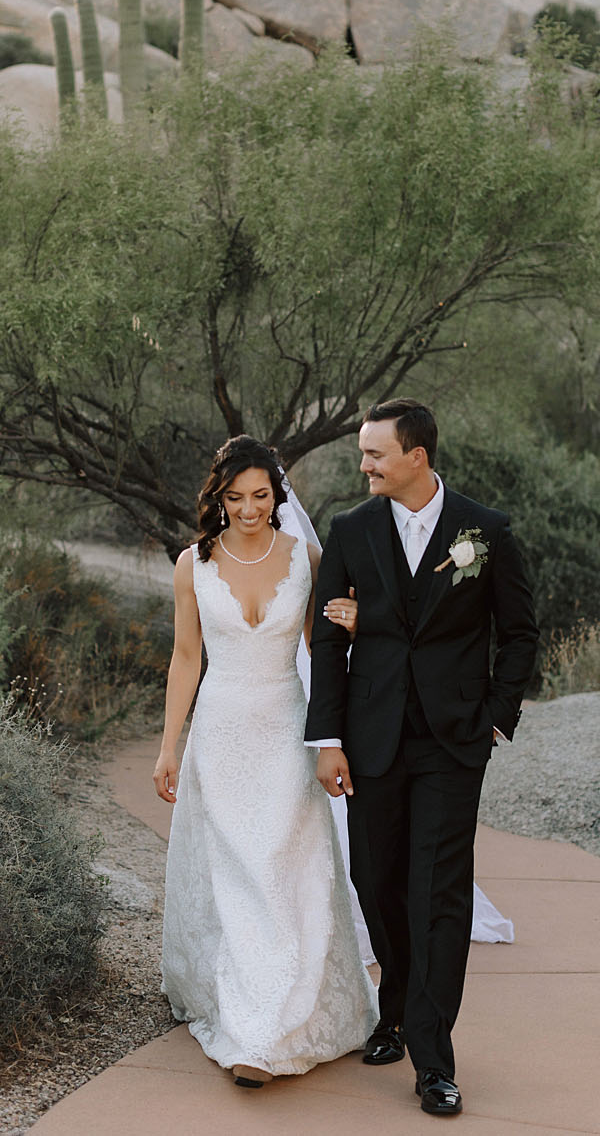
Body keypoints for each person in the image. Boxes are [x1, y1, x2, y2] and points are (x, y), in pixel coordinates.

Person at [305, 399, 540, 1118]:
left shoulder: (486, 532)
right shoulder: (351, 530)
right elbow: (328, 641)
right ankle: (396, 1008)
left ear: (418, 456)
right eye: (363, 454)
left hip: (452, 740)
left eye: (375, 453)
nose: (365, 464)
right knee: (376, 880)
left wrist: (496, 717)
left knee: (438, 891)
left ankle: (434, 1059)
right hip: (371, 738)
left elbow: (521, 632)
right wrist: (328, 737)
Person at [156, 436, 379, 1087]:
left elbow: (324, 651)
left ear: (277, 495)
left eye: (261, 495)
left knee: (282, 869)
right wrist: (169, 744)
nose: (250, 508)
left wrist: (355, 635)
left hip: (286, 724)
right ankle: (245, 1010)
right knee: (235, 875)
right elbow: (186, 658)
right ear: (217, 497)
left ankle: (270, 1030)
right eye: (235, 497)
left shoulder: (307, 557)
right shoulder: (190, 564)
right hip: (220, 734)